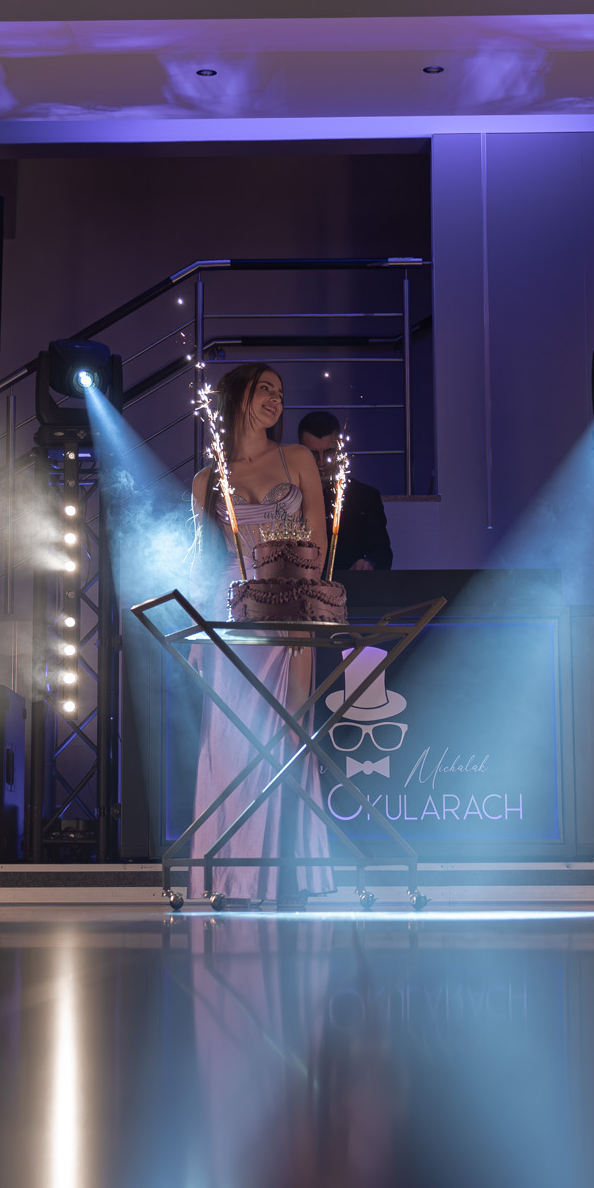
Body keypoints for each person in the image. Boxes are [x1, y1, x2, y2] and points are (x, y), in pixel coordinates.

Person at [188, 363, 335, 903]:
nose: (276, 398)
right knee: (229, 738)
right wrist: (201, 631)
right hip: (230, 611)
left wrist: (304, 608)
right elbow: (202, 561)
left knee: (290, 733)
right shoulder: (206, 479)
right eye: (264, 389)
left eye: (280, 391)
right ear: (239, 397)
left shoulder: (296, 459)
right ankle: (231, 876)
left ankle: (287, 874)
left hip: (291, 602)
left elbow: (318, 539)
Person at [296, 411, 393, 572]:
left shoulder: (365, 497)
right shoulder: (289, 498)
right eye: (313, 454)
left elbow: (382, 552)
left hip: (350, 585)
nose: (321, 462)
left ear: (339, 449)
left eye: (329, 453)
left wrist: (369, 563)